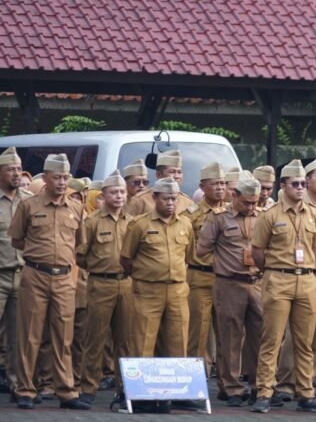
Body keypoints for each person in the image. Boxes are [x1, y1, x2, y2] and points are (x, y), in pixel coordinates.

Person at [8, 154, 89, 410]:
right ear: (45, 178)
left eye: (65, 178)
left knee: (63, 336)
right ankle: (26, 390)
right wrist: (39, 254)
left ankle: (66, 391)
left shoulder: (76, 208)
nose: (62, 182)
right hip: (35, 275)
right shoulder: (29, 206)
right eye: (57, 177)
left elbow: (79, 243)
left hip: (64, 277)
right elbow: (17, 240)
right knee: (30, 335)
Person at [249, 160, 316, 414]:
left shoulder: (314, 215)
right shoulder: (270, 215)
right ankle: (264, 392)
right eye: (295, 184)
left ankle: (306, 393)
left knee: (305, 342)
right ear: (283, 185)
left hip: (306, 280)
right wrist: (273, 270)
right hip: (278, 278)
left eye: (303, 183)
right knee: (272, 339)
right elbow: (257, 252)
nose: (301, 188)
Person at [197, 177, 263, 407]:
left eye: (255, 202)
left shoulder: (263, 216)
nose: (251, 207)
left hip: (257, 283)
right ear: (234, 196)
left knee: (260, 337)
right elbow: (201, 249)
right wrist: (223, 263)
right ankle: (232, 387)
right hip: (229, 283)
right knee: (230, 337)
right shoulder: (218, 218)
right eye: (246, 202)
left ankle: (259, 386)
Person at [275, 155, 316, 402]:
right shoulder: (294, 205)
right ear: (307, 180)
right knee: (296, 333)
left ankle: (306, 381)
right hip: (300, 274)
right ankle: (285, 383)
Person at [76, 170, 134, 408]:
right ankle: (88, 388)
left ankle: (125, 389)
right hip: (100, 283)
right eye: (114, 192)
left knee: (126, 340)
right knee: (95, 338)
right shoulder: (92, 222)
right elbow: (80, 255)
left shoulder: (133, 222)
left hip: (127, 284)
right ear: (104, 195)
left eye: (122, 192)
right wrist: (99, 268)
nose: (119, 196)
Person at [120, 177, 195, 359]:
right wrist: (146, 273)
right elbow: (126, 258)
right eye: (165, 198)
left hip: (177, 290)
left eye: (174, 198)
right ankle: (141, 378)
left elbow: (189, 256)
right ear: (154, 198)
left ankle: (177, 377)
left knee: (178, 340)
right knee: (143, 341)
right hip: (148, 290)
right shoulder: (139, 224)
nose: (170, 203)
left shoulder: (185, 224)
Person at [186, 163, 227, 378]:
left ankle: (227, 382)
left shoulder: (231, 212)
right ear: (202, 187)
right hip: (200, 276)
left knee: (227, 332)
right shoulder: (191, 215)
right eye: (215, 184)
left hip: (226, 279)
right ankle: (196, 378)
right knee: (198, 332)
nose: (220, 188)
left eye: (223, 183)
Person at [0, 148, 32, 401]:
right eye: (11, 169)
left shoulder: (30, 201)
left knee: (18, 336)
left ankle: (16, 386)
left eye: (19, 168)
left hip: (22, 276)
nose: (16, 173)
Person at [125, 151, 197, 216]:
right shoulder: (140, 200)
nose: (177, 176)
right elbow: (128, 224)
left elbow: (195, 224)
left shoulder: (188, 202)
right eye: (172, 172)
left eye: (179, 172)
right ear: (159, 175)